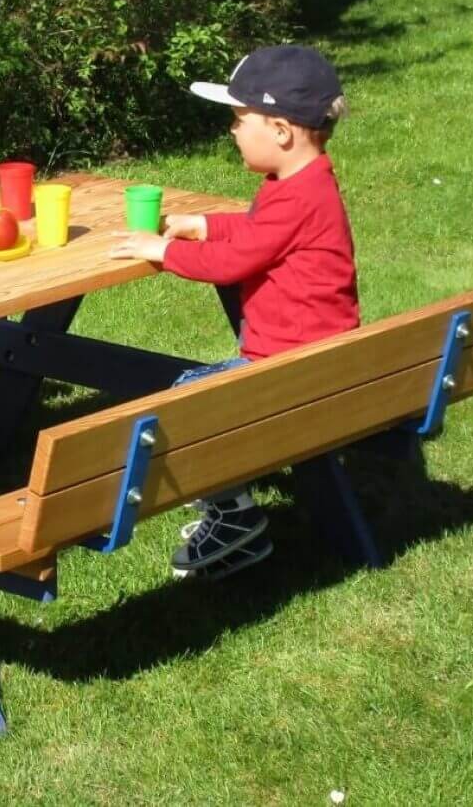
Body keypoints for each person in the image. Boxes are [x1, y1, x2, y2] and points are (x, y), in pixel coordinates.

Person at [109, 44, 360, 579]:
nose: (232, 130)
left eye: (239, 119)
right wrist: (207, 225)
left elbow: (232, 263)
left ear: (281, 131)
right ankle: (232, 516)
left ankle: (232, 518)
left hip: (292, 371)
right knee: (193, 391)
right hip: (326, 365)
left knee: (186, 405)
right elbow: (259, 237)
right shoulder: (302, 184)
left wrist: (164, 251)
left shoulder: (295, 197)